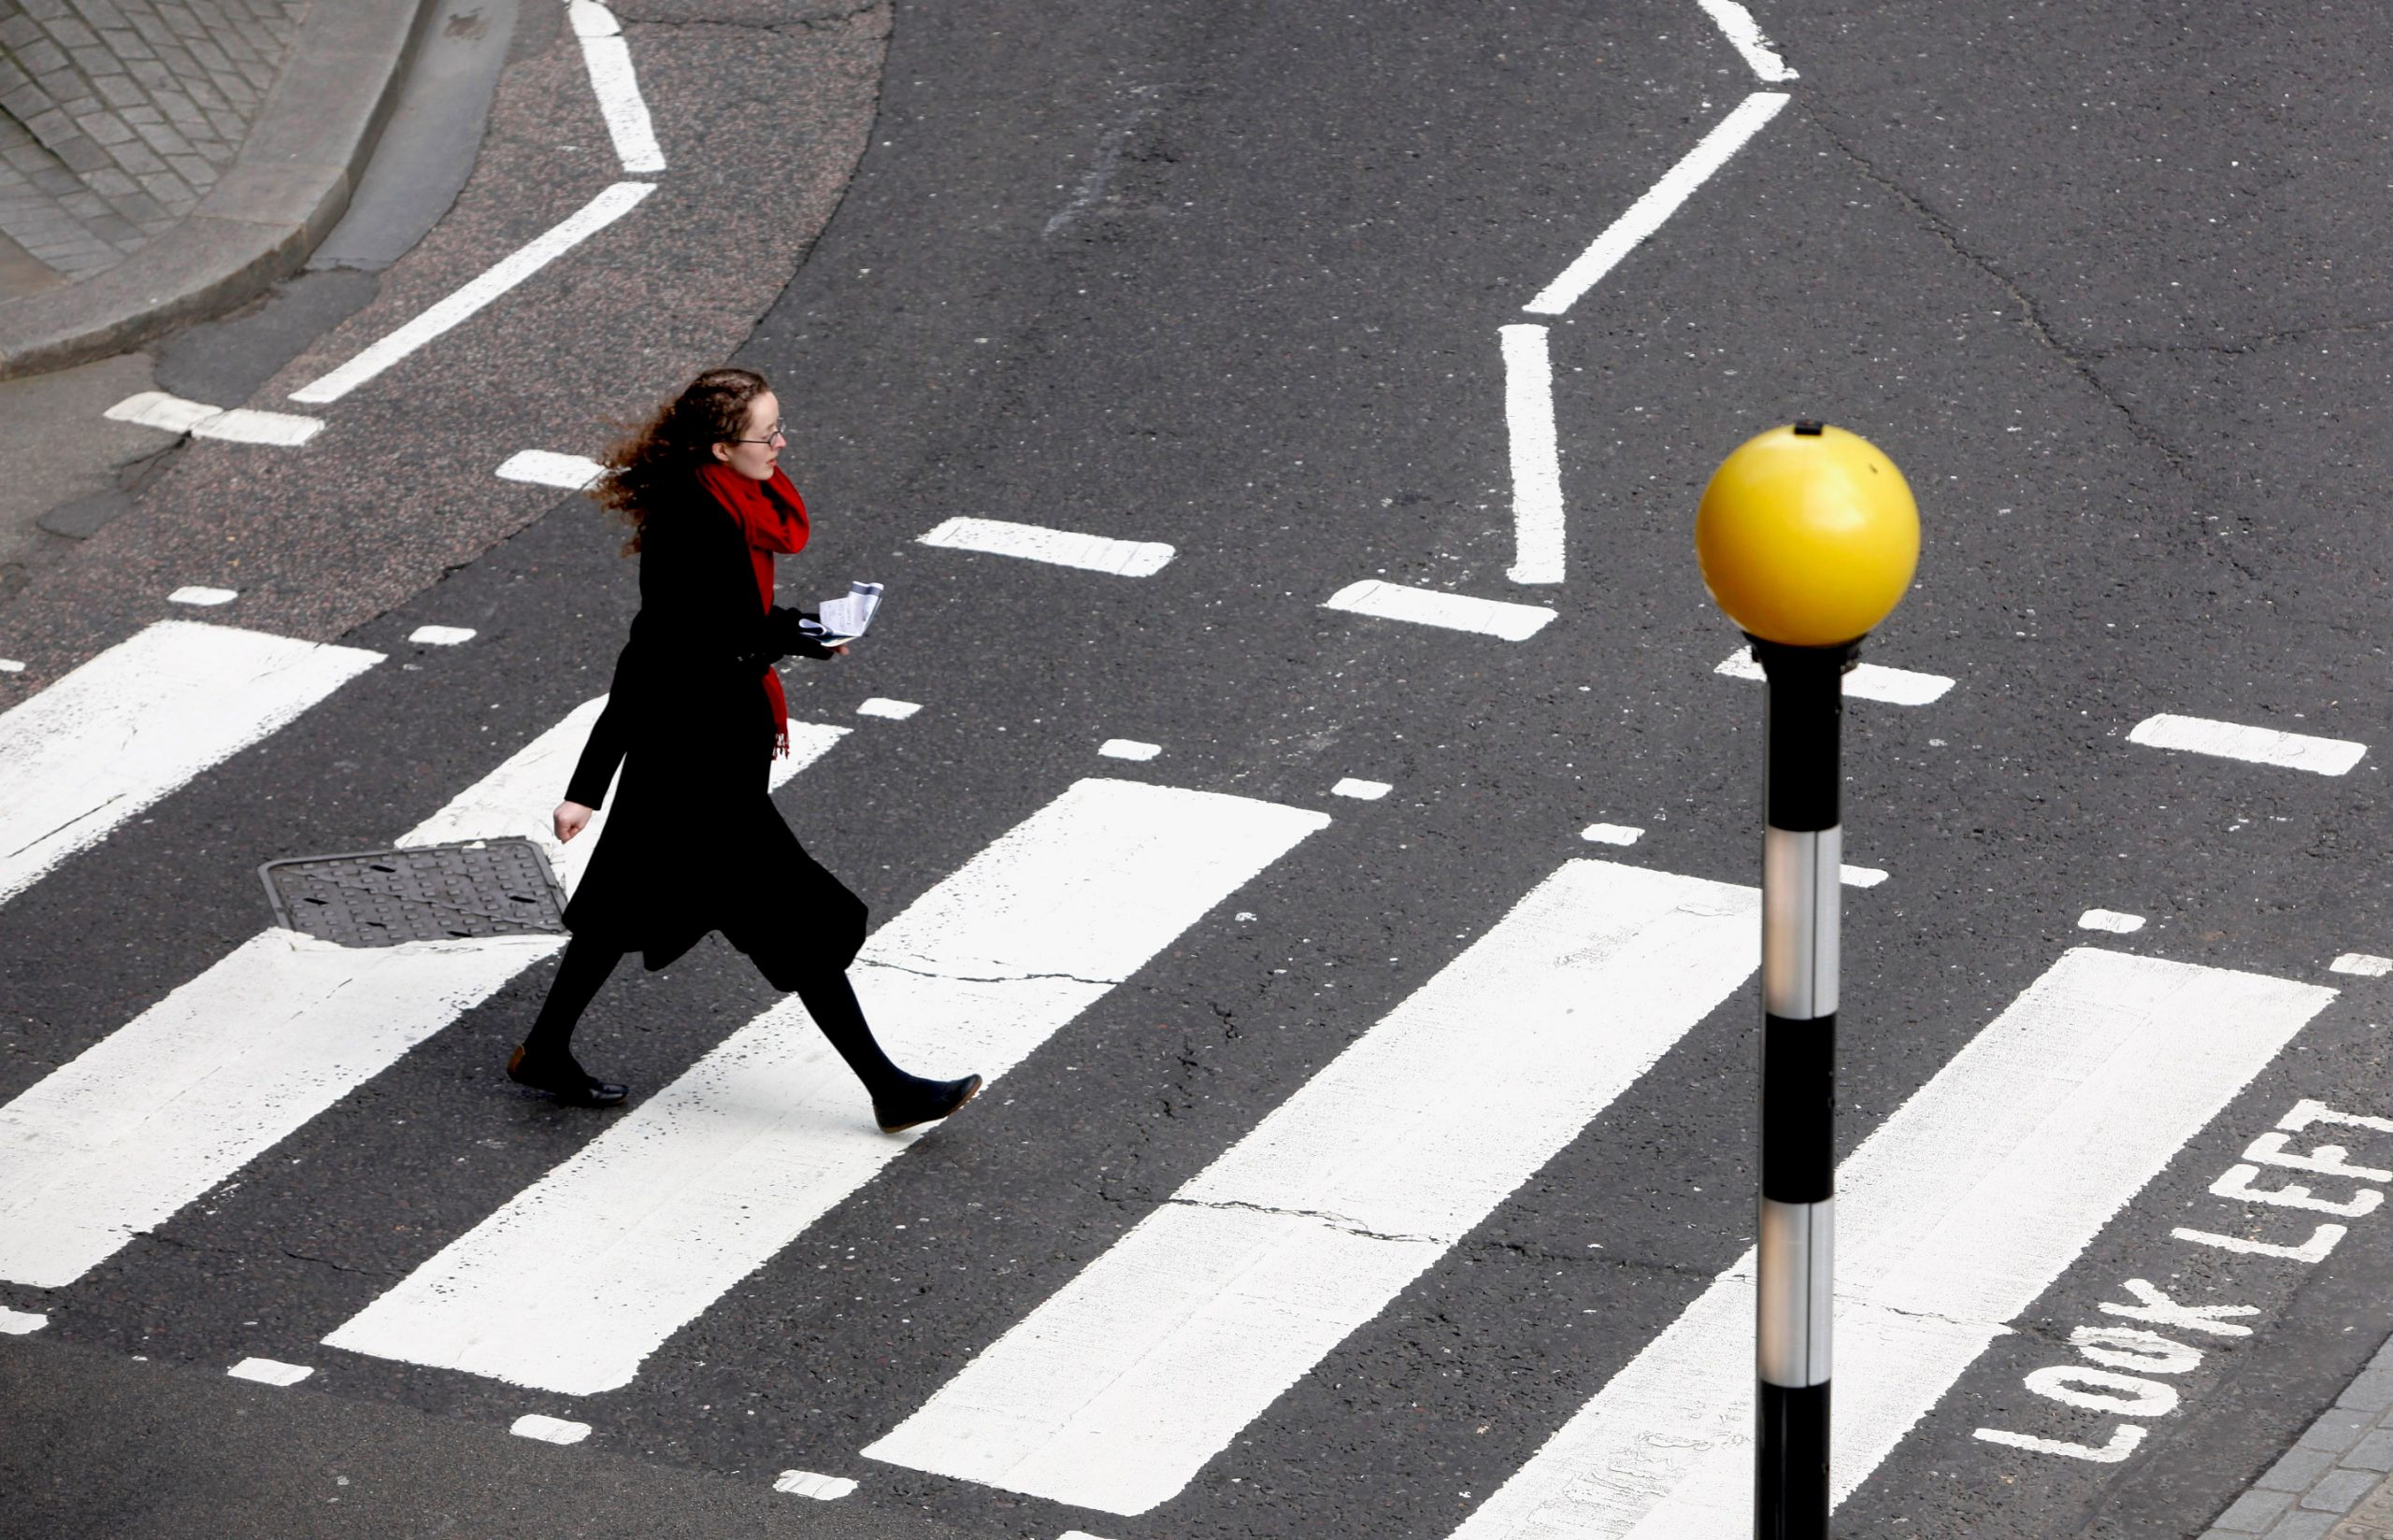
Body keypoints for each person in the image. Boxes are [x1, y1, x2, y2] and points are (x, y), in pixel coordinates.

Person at [507, 366, 981, 1133]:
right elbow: (663, 651)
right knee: (798, 922)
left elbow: (729, 627)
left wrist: (803, 635)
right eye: (769, 432)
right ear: (723, 446)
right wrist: (588, 784)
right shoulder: (696, 523)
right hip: (699, 766)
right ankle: (889, 1088)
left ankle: (545, 1048)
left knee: (624, 905)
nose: (782, 442)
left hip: (696, 755)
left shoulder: (726, 501)